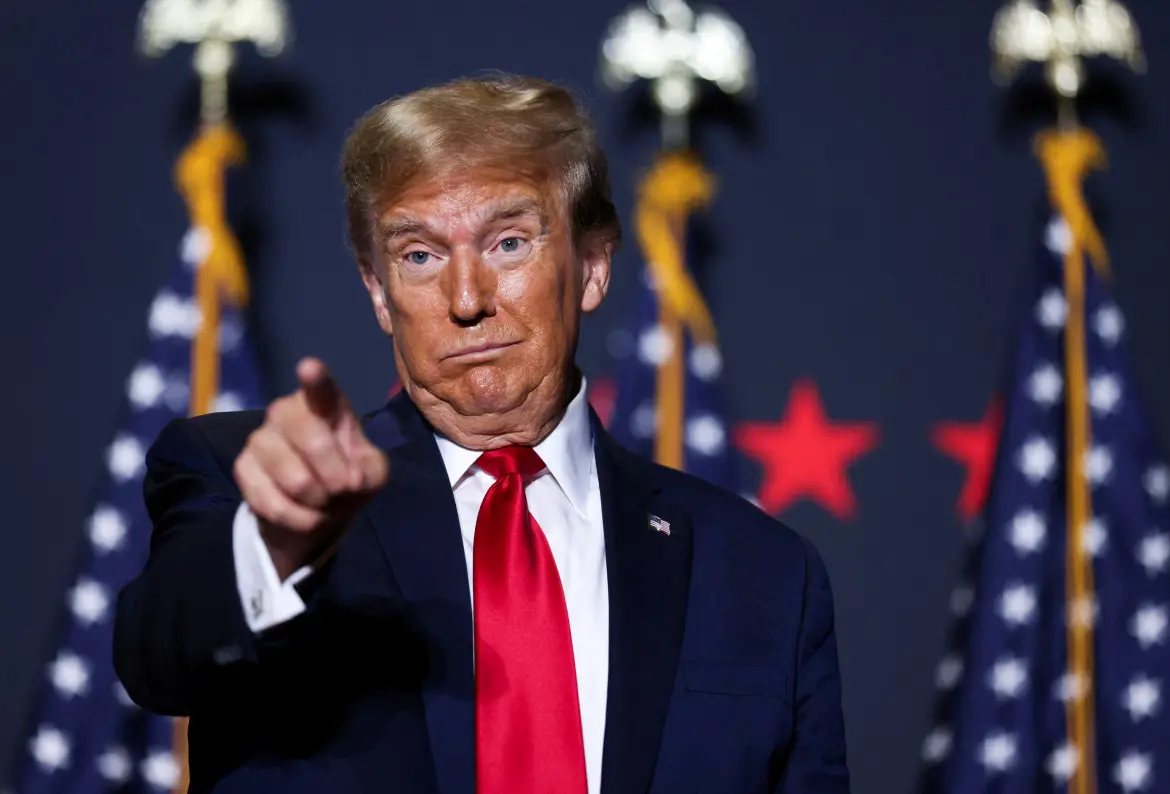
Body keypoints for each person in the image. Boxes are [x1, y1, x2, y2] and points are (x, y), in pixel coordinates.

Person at [114, 74, 850, 794]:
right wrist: (278, 540)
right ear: (378, 291)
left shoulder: (763, 574)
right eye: (419, 256)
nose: (466, 299)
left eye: (508, 243)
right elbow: (155, 658)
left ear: (593, 266)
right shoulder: (246, 481)